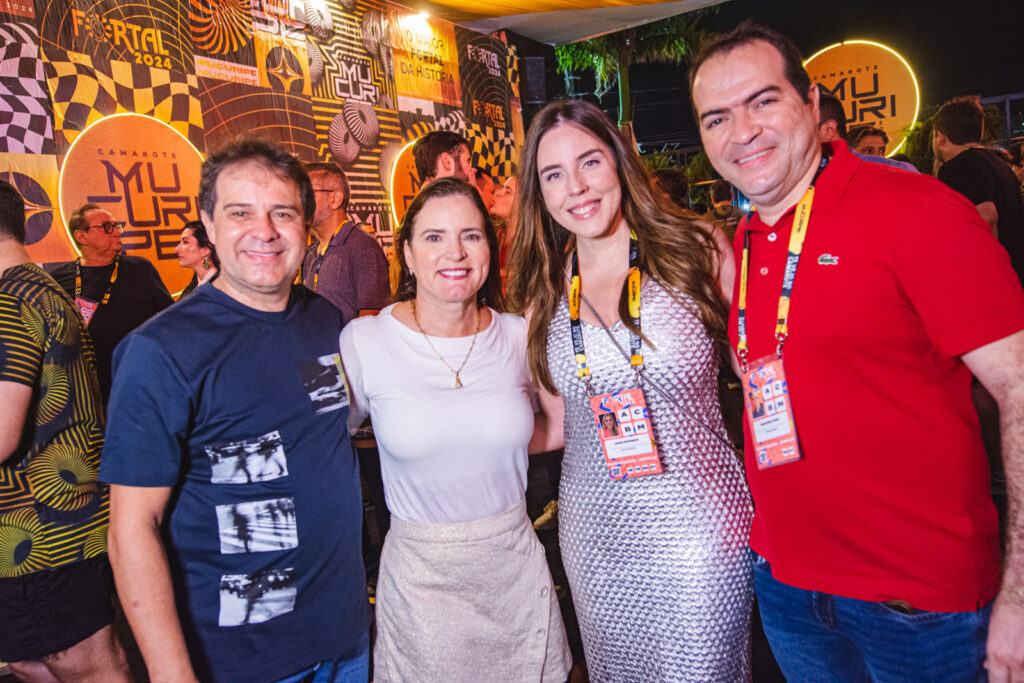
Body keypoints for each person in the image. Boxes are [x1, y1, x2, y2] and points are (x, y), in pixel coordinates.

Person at [689, 21, 1024, 681]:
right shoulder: (745, 239)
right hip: (789, 589)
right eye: (717, 117)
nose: (743, 131)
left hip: (918, 604)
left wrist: (1019, 592)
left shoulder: (917, 209)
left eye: (763, 101)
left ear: (812, 106)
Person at [100, 138, 371, 682]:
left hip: (345, 638)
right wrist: (171, 672)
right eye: (240, 212)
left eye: (282, 213)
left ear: (305, 222)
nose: (264, 231)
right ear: (209, 223)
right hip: (241, 658)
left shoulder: (323, 320)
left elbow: (323, 434)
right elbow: (132, 529)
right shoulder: (160, 350)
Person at [506, 98, 753, 680]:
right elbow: (555, 427)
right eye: (554, 175)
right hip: (596, 534)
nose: (577, 188)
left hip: (698, 528)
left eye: (590, 162)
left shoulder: (698, 248)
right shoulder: (543, 289)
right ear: (539, 192)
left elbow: (760, 374)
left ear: (620, 162)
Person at [339, 177, 570, 682]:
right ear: (408, 251)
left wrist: (488, 444)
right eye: (434, 236)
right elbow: (324, 435)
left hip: (513, 567)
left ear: (490, 245)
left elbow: (558, 428)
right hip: (422, 583)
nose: (455, 252)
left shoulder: (517, 334)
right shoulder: (364, 340)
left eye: (471, 235)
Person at [0, 180, 132, 682]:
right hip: (48, 519)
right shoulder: (41, 286)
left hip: (43, 526)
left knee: (82, 661)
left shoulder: (10, 301)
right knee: (32, 657)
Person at [51, 204, 173, 402]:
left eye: (117, 226)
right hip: (85, 387)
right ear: (82, 237)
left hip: (139, 380)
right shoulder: (58, 279)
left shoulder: (140, 269)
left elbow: (170, 317)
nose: (117, 232)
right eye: (107, 227)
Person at [933, 96, 1024, 285]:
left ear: (940, 136)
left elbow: (986, 216)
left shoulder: (957, 166)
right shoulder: (1000, 164)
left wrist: (987, 277)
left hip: (998, 281)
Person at [301, 161, 390, 321]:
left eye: (307, 193)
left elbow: (372, 322)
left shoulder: (363, 247)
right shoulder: (311, 252)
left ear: (335, 199)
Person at [176, 219, 218, 297]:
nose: (177, 249)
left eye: (185, 242)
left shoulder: (223, 287)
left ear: (206, 250)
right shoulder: (192, 288)